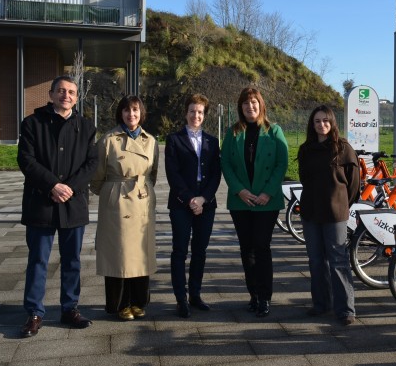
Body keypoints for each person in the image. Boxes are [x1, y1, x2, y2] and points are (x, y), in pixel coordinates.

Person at [17, 75, 98, 338]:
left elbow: (91, 164)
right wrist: (52, 185)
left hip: (73, 204)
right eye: (61, 91)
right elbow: (26, 160)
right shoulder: (32, 123)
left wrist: (69, 187)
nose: (66, 96)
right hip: (40, 203)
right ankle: (34, 312)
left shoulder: (86, 127)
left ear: (77, 97)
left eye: (72, 92)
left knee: (72, 260)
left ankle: (69, 308)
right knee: (38, 260)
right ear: (51, 94)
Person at [221, 87, 288, 318]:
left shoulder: (274, 131)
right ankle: (254, 295)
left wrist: (267, 193)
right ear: (241, 107)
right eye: (246, 104)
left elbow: (281, 163)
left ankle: (265, 297)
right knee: (246, 249)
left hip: (266, 202)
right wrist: (240, 191)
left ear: (261, 105)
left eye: (254, 103)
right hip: (241, 201)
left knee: (261, 246)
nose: (250, 107)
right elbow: (226, 164)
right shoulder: (233, 133)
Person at [90, 95, 159, 321]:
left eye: (136, 111)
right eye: (127, 110)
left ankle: (139, 302)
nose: (132, 115)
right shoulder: (109, 140)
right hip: (117, 201)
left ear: (142, 114)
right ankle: (120, 304)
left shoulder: (151, 141)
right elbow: (97, 176)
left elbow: (153, 173)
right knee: (118, 254)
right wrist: (112, 193)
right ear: (120, 113)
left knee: (141, 252)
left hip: (142, 198)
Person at [297, 105, 360, 325]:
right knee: (316, 260)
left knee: (338, 260)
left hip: (335, 214)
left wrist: (342, 204)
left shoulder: (343, 148)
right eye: (317, 121)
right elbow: (305, 178)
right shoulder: (306, 149)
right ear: (311, 124)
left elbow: (353, 184)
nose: (321, 124)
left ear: (332, 122)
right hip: (311, 212)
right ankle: (321, 304)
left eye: (325, 120)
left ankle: (345, 310)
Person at [165, 93, 221, 318]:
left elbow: (216, 174)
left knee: (200, 251)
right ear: (186, 113)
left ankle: (195, 295)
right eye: (192, 111)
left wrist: (203, 199)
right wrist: (190, 199)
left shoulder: (212, 141)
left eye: (200, 112)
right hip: (181, 203)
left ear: (204, 115)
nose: (195, 115)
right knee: (180, 251)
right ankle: (181, 298)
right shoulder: (174, 139)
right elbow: (172, 173)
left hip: (206, 204)